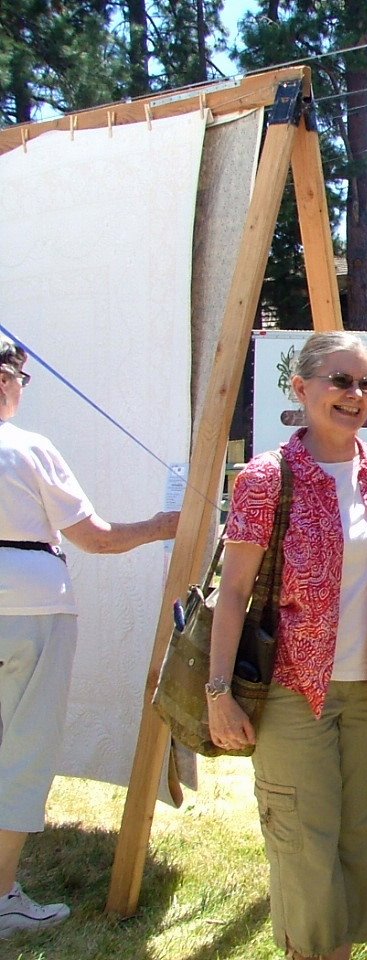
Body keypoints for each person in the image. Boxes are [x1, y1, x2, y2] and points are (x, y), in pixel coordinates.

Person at [207, 331, 367, 960]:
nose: (355, 394)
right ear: (301, 387)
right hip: (294, 690)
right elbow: (233, 592)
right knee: (304, 847)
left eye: (365, 383)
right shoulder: (268, 477)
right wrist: (218, 692)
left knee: (363, 838)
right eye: (340, 380)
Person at [0, 333, 179, 939]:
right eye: (19, 380)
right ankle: (1, 896)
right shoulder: (27, 447)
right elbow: (97, 539)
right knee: (24, 747)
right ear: (5, 381)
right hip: (32, 608)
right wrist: (161, 526)